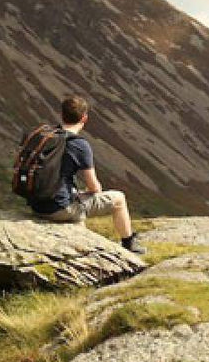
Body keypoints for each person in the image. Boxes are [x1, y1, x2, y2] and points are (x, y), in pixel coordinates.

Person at [30, 94, 146, 255]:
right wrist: (92, 190)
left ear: (62, 115)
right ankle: (128, 243)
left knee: (77, 203)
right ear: (84, 118)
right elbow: (93, 186)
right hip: (60, 209)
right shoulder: (79, 145)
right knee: (119, 198)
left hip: (36, 205)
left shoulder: (46, 137)